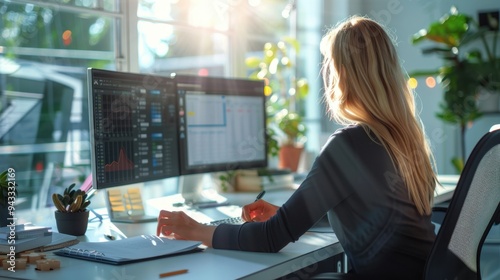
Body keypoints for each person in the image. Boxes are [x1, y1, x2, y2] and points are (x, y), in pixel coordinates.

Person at [157, 15, 437, 279]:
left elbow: (271, 238)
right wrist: (286, 214)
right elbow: (372, 218)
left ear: (341, 77)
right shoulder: (404, 139)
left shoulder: (349, 144)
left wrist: (198, 230)